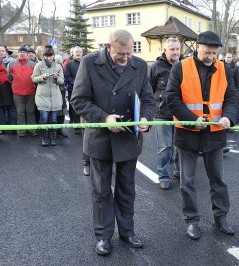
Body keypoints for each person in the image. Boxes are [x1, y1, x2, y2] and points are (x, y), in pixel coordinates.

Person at [71, 29, 155, 255]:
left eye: (129, 53)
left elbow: (148, 99)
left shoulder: (139, 66)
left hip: (128, 139)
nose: (126, 58)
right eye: (121, 54)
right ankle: (103, 236)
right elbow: (78, 100)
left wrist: (146, 119)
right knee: (101, 191)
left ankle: (127, 232)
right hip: (100, 138)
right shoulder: (89, 64)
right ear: (109, 47)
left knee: (127, 189)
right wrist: (104, 118)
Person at [166, 30, 237, 240]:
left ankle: (221, 217)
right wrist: (190, 117)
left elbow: (232, 98)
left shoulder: (225, 69)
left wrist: (229, 117)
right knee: (187, 181)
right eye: (207, 52)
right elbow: (172, 97)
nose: (211, 57)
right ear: (197, 48)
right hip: (187, 132)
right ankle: (192, 220)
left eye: (214, 53)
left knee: (218, 179)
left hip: (215, 134)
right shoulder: (181, 67)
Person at [149, 37, 182, 190]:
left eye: (177, 49)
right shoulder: (156, 67)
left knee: (180, 146)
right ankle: (163, 175)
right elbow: (150, 90)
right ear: (165, 50)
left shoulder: (185, 65)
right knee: (165, 147)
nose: (175, 52)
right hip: (162, 113)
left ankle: (179, 172)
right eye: (172, 49)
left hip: (182, 113)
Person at [32, 45, 64, 146]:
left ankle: (53, 137)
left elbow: (62, 81)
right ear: (43, 55)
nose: (49, 58)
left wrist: (56, 78)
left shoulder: (58, 66)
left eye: (50, 56)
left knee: (54, 119)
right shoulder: (39, 65)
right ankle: (43, 137)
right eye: (47, 56)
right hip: (42, 96)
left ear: (53, 55)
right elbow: (33, 79)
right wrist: (42, 77)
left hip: (55, 96)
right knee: (44, 118)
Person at [7, 46, 37, 137]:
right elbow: (9, 77)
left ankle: (32, 130)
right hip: (17, 93)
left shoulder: (33, 64)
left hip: (31, 92)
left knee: (30, 111)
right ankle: (22, 131)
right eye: (21, 52)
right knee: (20, 112)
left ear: (27, 54)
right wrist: (14, 85)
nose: (22, 53)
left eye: (24, 52)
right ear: (18, 53)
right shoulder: (11, 63)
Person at [64, 46, 83, 135]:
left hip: (84, 89)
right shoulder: (69, 64)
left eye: (80, 52)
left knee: (81, 106)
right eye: (77, 52)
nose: (78, 53)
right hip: (73, 89)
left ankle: (78, 123)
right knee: (73, 107)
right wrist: (74, 82)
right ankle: (76, 125)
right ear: (73, 53)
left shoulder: (85, 63)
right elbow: (66, 76)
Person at [0, 44, 17, 134]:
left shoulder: (12, 62)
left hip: (9, 87)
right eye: (0, 51)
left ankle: (13, 127)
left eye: (3, 50)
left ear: (6, 52)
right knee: (1, 109)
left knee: (11, 108)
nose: (1, 52)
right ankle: (2, 127)